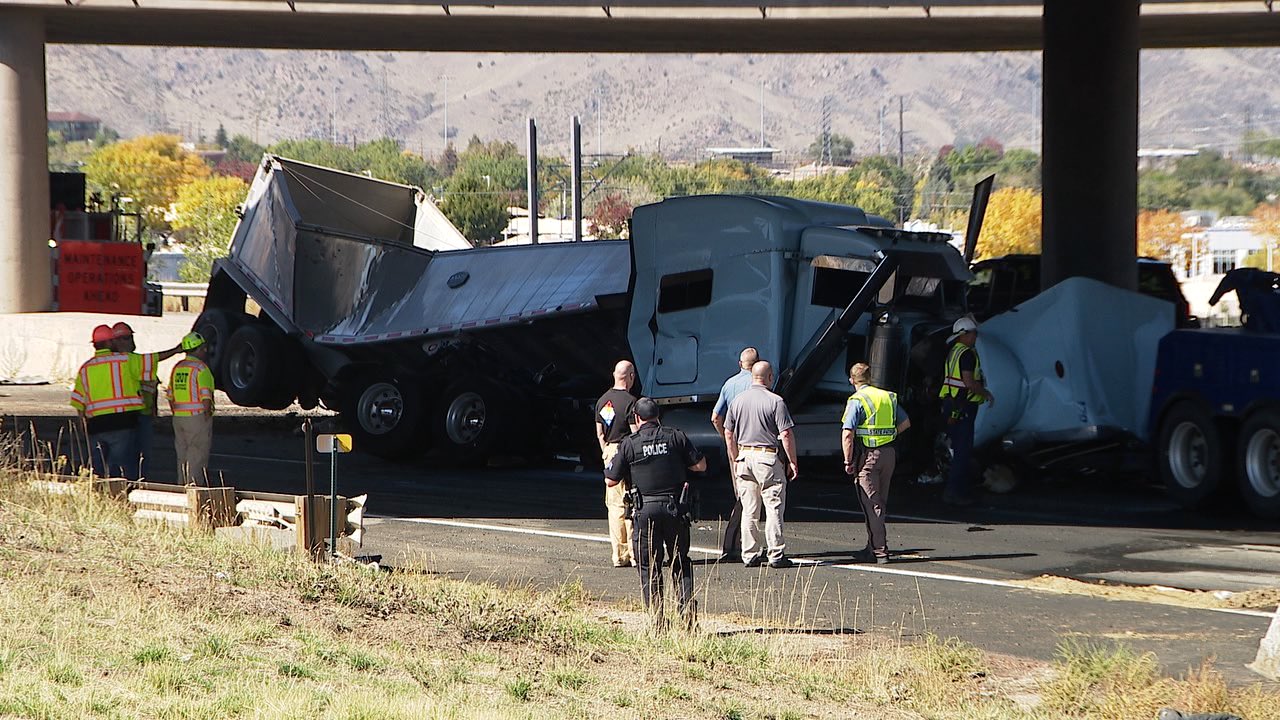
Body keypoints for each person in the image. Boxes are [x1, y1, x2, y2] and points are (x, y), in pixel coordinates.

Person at [605, 397, 706, 629]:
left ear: (637, 419)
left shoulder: (630, 444)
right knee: (680, 561)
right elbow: (701, 465)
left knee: (649, 565)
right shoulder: (675, 436)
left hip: (645, 511)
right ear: (658, 416)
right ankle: (687, 619)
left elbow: (610, 479)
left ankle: (657, 620)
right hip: (675, 509)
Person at [722, 361, 798, 569]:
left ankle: (749, 553)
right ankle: (775, 553)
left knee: (749, 508)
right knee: (773, 507)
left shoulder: (738, 401)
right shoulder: (776, 401)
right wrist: (792, 461)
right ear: (770, 377)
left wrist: (736, 455)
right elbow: (785, 434)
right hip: (767, 457)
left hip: (745, 457)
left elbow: (728, 432)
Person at [841, 362, 910, 564]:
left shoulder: (856, 400)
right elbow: (906, 423)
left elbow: (847, 434)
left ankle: (880, 551)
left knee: (872, 505)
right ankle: (872, 546)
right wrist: (888, 435)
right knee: (880, 502)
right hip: (888, 454)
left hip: (868, 457)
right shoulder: (888, 397)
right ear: (871, 377)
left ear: (852, 380)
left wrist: (847, 460)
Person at [69, 324, 156, 479]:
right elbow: (153, 359)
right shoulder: (124, 361)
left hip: (96, 426)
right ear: (110, 342)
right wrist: (177, 350)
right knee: (121, 467)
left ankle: (99, 497)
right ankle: (120, 496)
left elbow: (78, 400)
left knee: (98, 469)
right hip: (121, 423)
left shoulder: (86, 368)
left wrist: (82, 423)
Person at [111, 321, 182, 479]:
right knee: (129, 454)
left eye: (131, 337)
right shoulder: (125, 360)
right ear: (116, 341)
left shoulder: (136, 361)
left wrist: (154, 410)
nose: (131, 341)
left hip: (142, 414)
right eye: (127, 338)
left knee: (139, 454)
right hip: (127, 415)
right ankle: (128, 483)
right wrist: (176, 350)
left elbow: (152, 385)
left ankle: (136, 482)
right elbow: (157, 357)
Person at [938, 316, 995, 506]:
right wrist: (986, 393)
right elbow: (969, 383)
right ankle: (955, 492)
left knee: (957, 450)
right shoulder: (967, 354)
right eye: (973, 333)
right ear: (965, 334)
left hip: (951, 404)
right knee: (962, 451)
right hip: (962, 406)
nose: (976, 337)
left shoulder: (953, 351)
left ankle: (955, 489)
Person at [709, 346, 758, 563]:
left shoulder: (730, 384)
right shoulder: (761, 384)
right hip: (756, 443)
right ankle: (735, 544)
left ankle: (735, 544)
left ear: (740, 364)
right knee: (752, 497)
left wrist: (725, 438)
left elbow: (715, 417)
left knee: (741, 493)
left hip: (735, 442)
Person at [596, 360, 639, 567]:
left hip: (610, 451)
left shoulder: (603, 401)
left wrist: (606, 450)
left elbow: (599, 433)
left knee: (614, 506)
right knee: (631, 503)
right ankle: (633, 554)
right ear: (630, 376)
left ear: (614, 375)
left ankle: (618, 555)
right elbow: (635, 433)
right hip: (626, 451)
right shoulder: (631, 402)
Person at [167, 332, 216, 486]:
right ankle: (194, 492)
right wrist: (206, 415)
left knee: (182, 456)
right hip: (197, 418)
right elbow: (206, 397)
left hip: (179, 418)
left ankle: (182, 488)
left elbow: (170, 395)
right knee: (197, 456)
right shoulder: (201, 369)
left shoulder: (178, 368)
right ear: (200, 349)